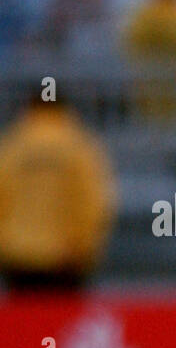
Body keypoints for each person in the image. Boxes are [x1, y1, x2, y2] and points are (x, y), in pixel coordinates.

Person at [0, 95, 117, 291]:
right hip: (66, 259)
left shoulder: (11, 147)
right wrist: (85, 248)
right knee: (62, 322)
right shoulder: (81, 147)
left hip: (18, 258)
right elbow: (94, 203)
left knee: (24, 321)